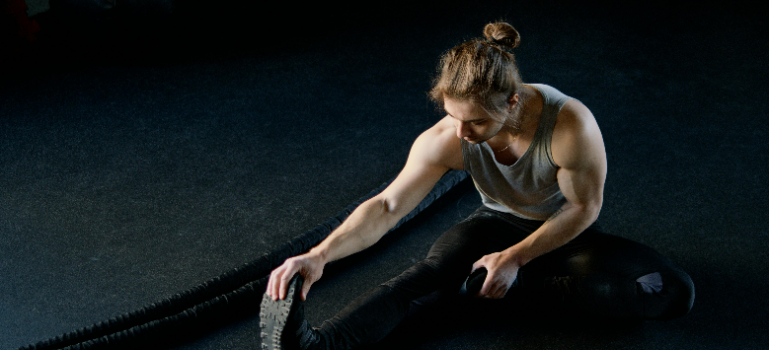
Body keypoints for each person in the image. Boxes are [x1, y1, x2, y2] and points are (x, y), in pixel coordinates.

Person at [259, 21, 695, 350]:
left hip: (562, 231)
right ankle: (319, 345)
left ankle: (519, 289)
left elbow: (583, 207)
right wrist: (319, 256)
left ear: (512, 101)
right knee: (426, 279)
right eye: (455, 117)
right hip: (492, 226)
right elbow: (389, 206)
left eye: (477, 121)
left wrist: (515, 259)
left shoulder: (568, 125)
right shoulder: (447, 138)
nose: (463, 133)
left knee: (670, 291)